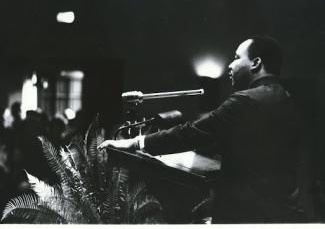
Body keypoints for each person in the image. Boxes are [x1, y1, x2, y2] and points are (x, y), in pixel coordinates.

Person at [98, 36, 304, 223]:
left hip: (245, 214)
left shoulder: (245, 100)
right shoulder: (285, 97)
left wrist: (134, 142)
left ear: (256, 63)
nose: (230, 65)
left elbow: (190, 133)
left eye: (236, 57)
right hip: (281, 211)